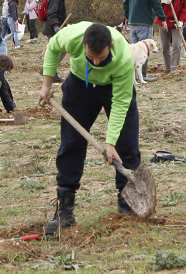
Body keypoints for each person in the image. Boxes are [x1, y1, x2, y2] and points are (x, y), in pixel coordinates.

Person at [38, 22, 139, 235]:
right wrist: (47, 84)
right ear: (83, 44)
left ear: (110, 46)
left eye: (101, 58)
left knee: (126, 145)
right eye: (90, 56)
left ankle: (127, 205)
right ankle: (64, 211)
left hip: (114, 87)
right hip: (80, 85)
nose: (95, 61)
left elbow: (120, 102)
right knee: (71, 143)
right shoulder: (72, 36)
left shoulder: (123, 58)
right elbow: (53, 48)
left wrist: (110, 143)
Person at [123, 0, 162, 83]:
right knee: (145, 49)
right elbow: (156, 4)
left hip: (132, 22)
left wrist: (127, 17)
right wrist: (163, 18)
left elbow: (126, 3)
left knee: (132, 51)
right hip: (144, 22)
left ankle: (131, 77)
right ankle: (143, 75)